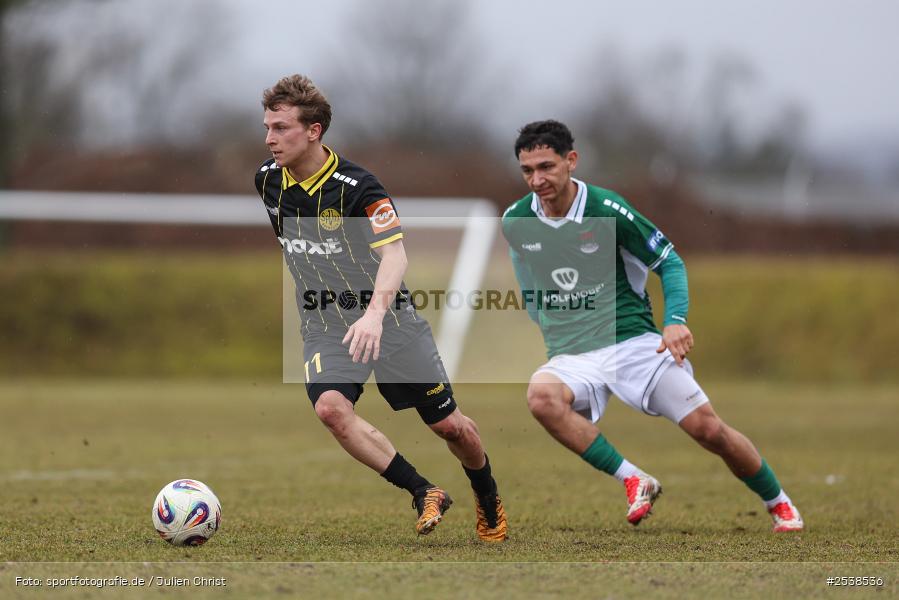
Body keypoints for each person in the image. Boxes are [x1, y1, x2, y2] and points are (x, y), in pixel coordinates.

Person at [501, 120, 803, 532]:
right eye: (527, 170)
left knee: (708, 430)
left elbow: (669, 262)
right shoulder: (517, 219)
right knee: (541, 398)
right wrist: (536, 305)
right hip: (573, 353)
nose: (537, 180)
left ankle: (778, 501)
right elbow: (524, 263)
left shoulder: (608, 210)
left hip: (631, 342)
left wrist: (674, 321)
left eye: (547, 167)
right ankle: (633, 479)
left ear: (571, 161)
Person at [254, 74, 507, 541]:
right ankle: (423, 491)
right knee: (331, 408)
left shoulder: (360, 187)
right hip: (326, 325)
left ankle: (487, 493)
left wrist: (372, 315)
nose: (270, 139)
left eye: (281, 127)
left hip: (389, 322)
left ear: (314, 130)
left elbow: (396, 255)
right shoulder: (267, 181)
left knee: (450, 427)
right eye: (267, 126)